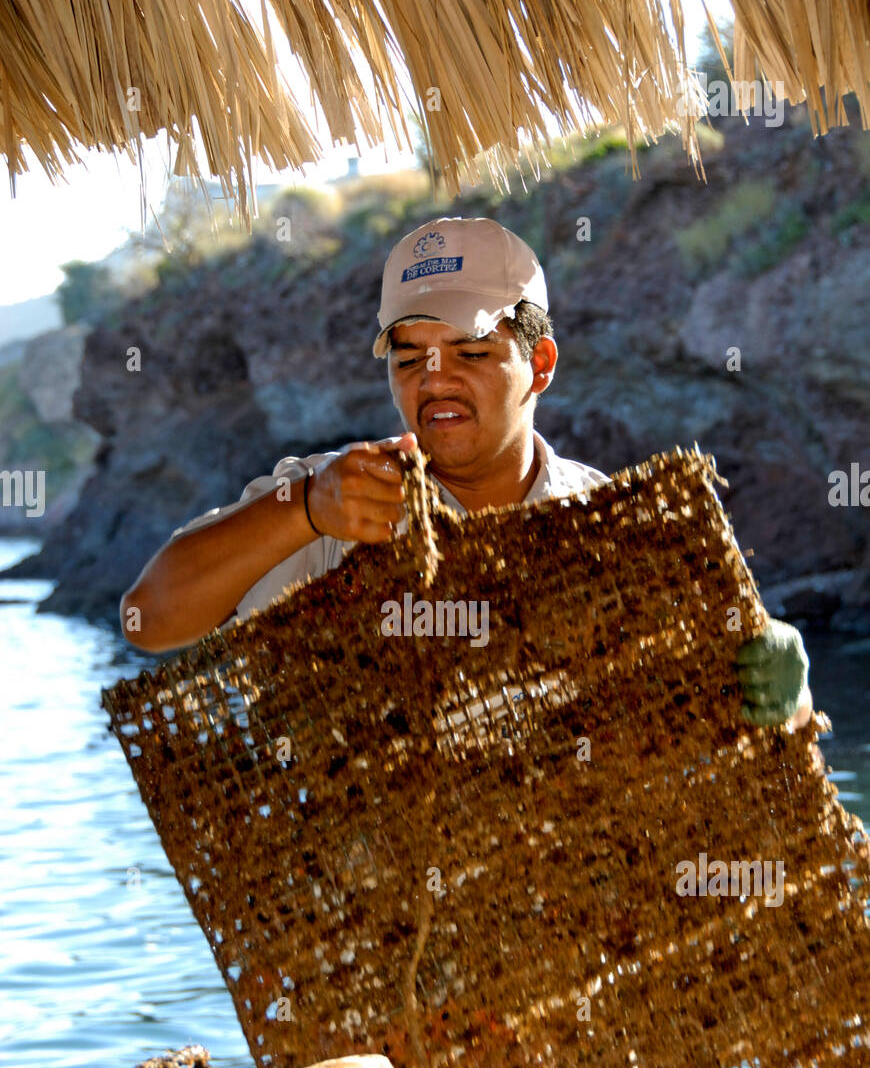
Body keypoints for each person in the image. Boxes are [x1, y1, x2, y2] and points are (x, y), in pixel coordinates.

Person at [120, 215, 812, 729]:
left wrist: (780, 691)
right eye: (409, 356)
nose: (435, 381)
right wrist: (300, 509)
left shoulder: (614, 528)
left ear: (539, 364)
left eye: (471, 353)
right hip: (378, 919)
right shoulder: (333, 503)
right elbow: (148, 618)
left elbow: (717, 717)